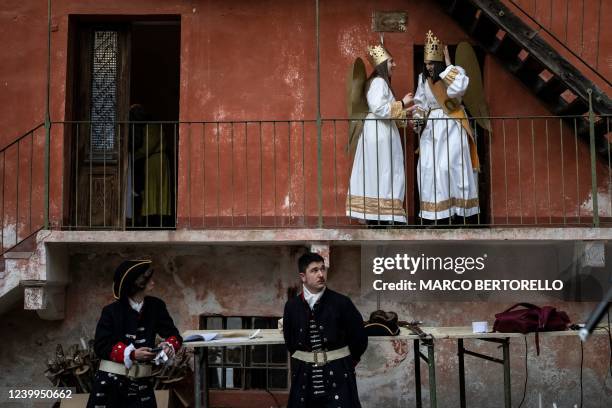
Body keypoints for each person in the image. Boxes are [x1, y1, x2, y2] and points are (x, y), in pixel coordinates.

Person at [86, 260, 182, 408]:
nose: (152, 281)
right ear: (138, 283)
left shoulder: (156, 306)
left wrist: (168, 346)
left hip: (142, 387)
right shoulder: (111, 311)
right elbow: (100, 346)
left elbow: (173, 335)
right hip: (110, 387)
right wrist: (131, 354)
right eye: (147, 278)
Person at [283, 252, 368, 407]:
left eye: (323, 269)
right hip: (304, 377)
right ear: (303, 276)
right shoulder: (292, 306)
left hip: (339, 375)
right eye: (314, 270)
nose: (321, 274)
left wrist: (345, 364)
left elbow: (359, 339)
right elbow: (290, 343)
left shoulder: (342, 303)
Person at [413, 30, 480, 224]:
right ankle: (436, 216)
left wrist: (448, 65)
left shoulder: (455, 72)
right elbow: (420, 103)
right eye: (426, 64)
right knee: (429, 169)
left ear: (439, 61)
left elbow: (459, 88)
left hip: (452, 125)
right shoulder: (423, 79)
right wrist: (417, 118)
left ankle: (461, 215)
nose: (428, 67)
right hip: (432, 129)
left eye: (432, 63)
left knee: (452, 167)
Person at [346, 42, 415, 226]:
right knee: (382, 171)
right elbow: (379, 108)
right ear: (383, 64)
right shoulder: (378, 82)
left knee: (383, 171)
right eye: (391, 61)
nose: (395, 65)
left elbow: (386, 110)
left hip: (382, 131)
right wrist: (402, 103)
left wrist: (405, 114)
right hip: (378, 134)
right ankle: (380, 216)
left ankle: (383, 214)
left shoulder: (380, 83)